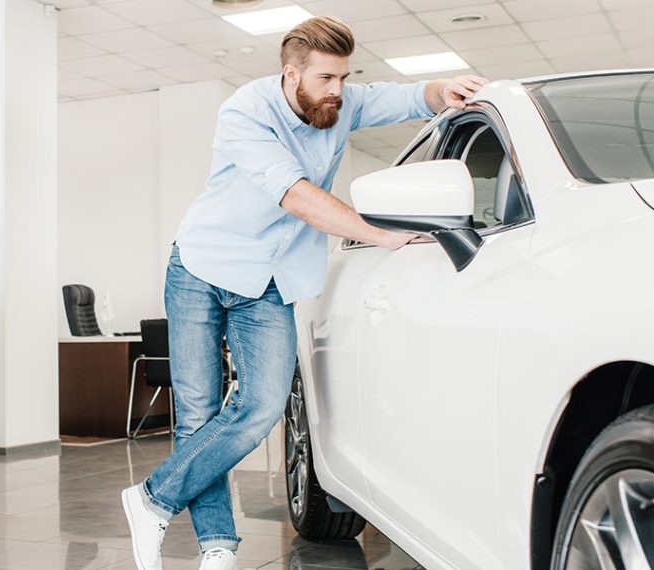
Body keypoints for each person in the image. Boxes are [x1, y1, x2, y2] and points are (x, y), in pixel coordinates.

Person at [121, 16, 488, 570]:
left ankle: (151, 497)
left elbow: (409, 97)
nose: (338, 90)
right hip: (202, 267)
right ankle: (217, 547)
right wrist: (380, 236)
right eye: (325, 78)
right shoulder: (245, 111)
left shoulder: (339, 103)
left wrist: (444, 90)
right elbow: (295, 195)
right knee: (197, 414)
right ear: (291, 74)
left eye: (344, 76)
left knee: (262, 404)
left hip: (272, 280)